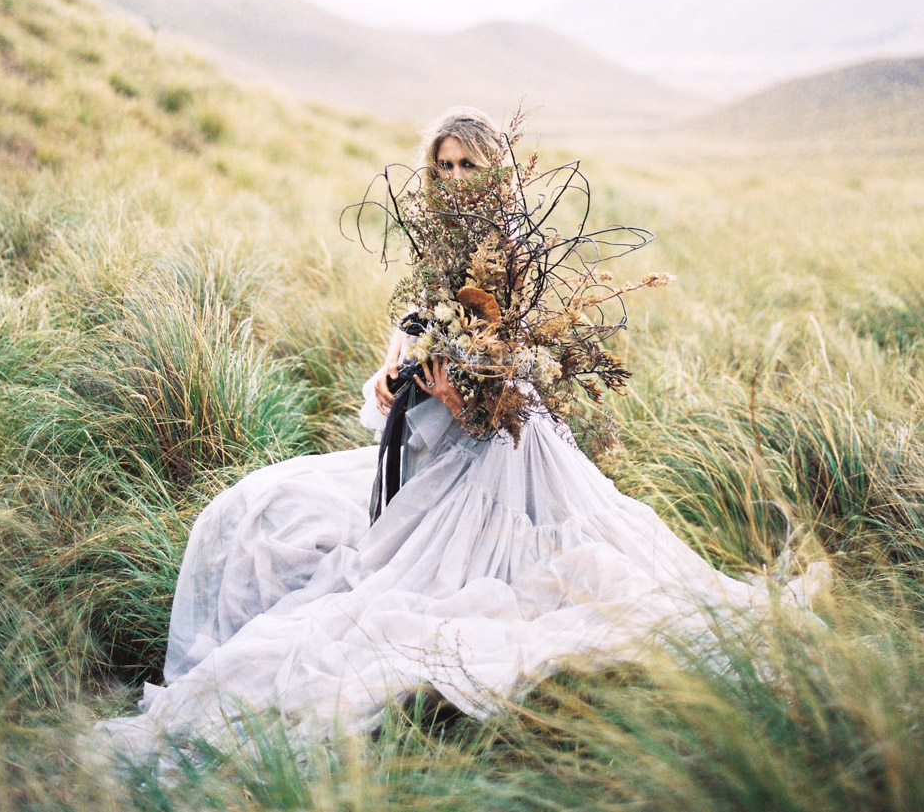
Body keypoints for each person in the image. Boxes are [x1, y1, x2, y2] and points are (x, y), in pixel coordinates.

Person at [97, 106, 828, 761]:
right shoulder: (437, 243)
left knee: (489, 583)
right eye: (442, 164)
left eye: (466, 164)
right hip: (437, 438)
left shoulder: (513, 252)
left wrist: (468, 394)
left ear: (492, 170)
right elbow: (414, 331)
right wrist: (394, 378)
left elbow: (516, 373)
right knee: (257, 506)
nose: (452, 176)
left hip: (504, 449)